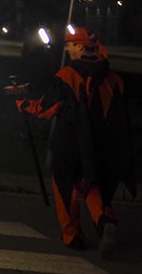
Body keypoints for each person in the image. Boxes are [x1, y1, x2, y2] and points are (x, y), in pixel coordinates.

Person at [14, 26, 136, 258]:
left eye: (70, 44)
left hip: (68, 144)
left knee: (64, 187)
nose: (67, 48)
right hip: (100, 145)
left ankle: (73, 236)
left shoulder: (67, 76)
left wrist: (23, 103)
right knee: (92, 184)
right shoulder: (113, 79)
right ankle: (104, 221)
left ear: (80, 47)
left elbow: (47, 107)